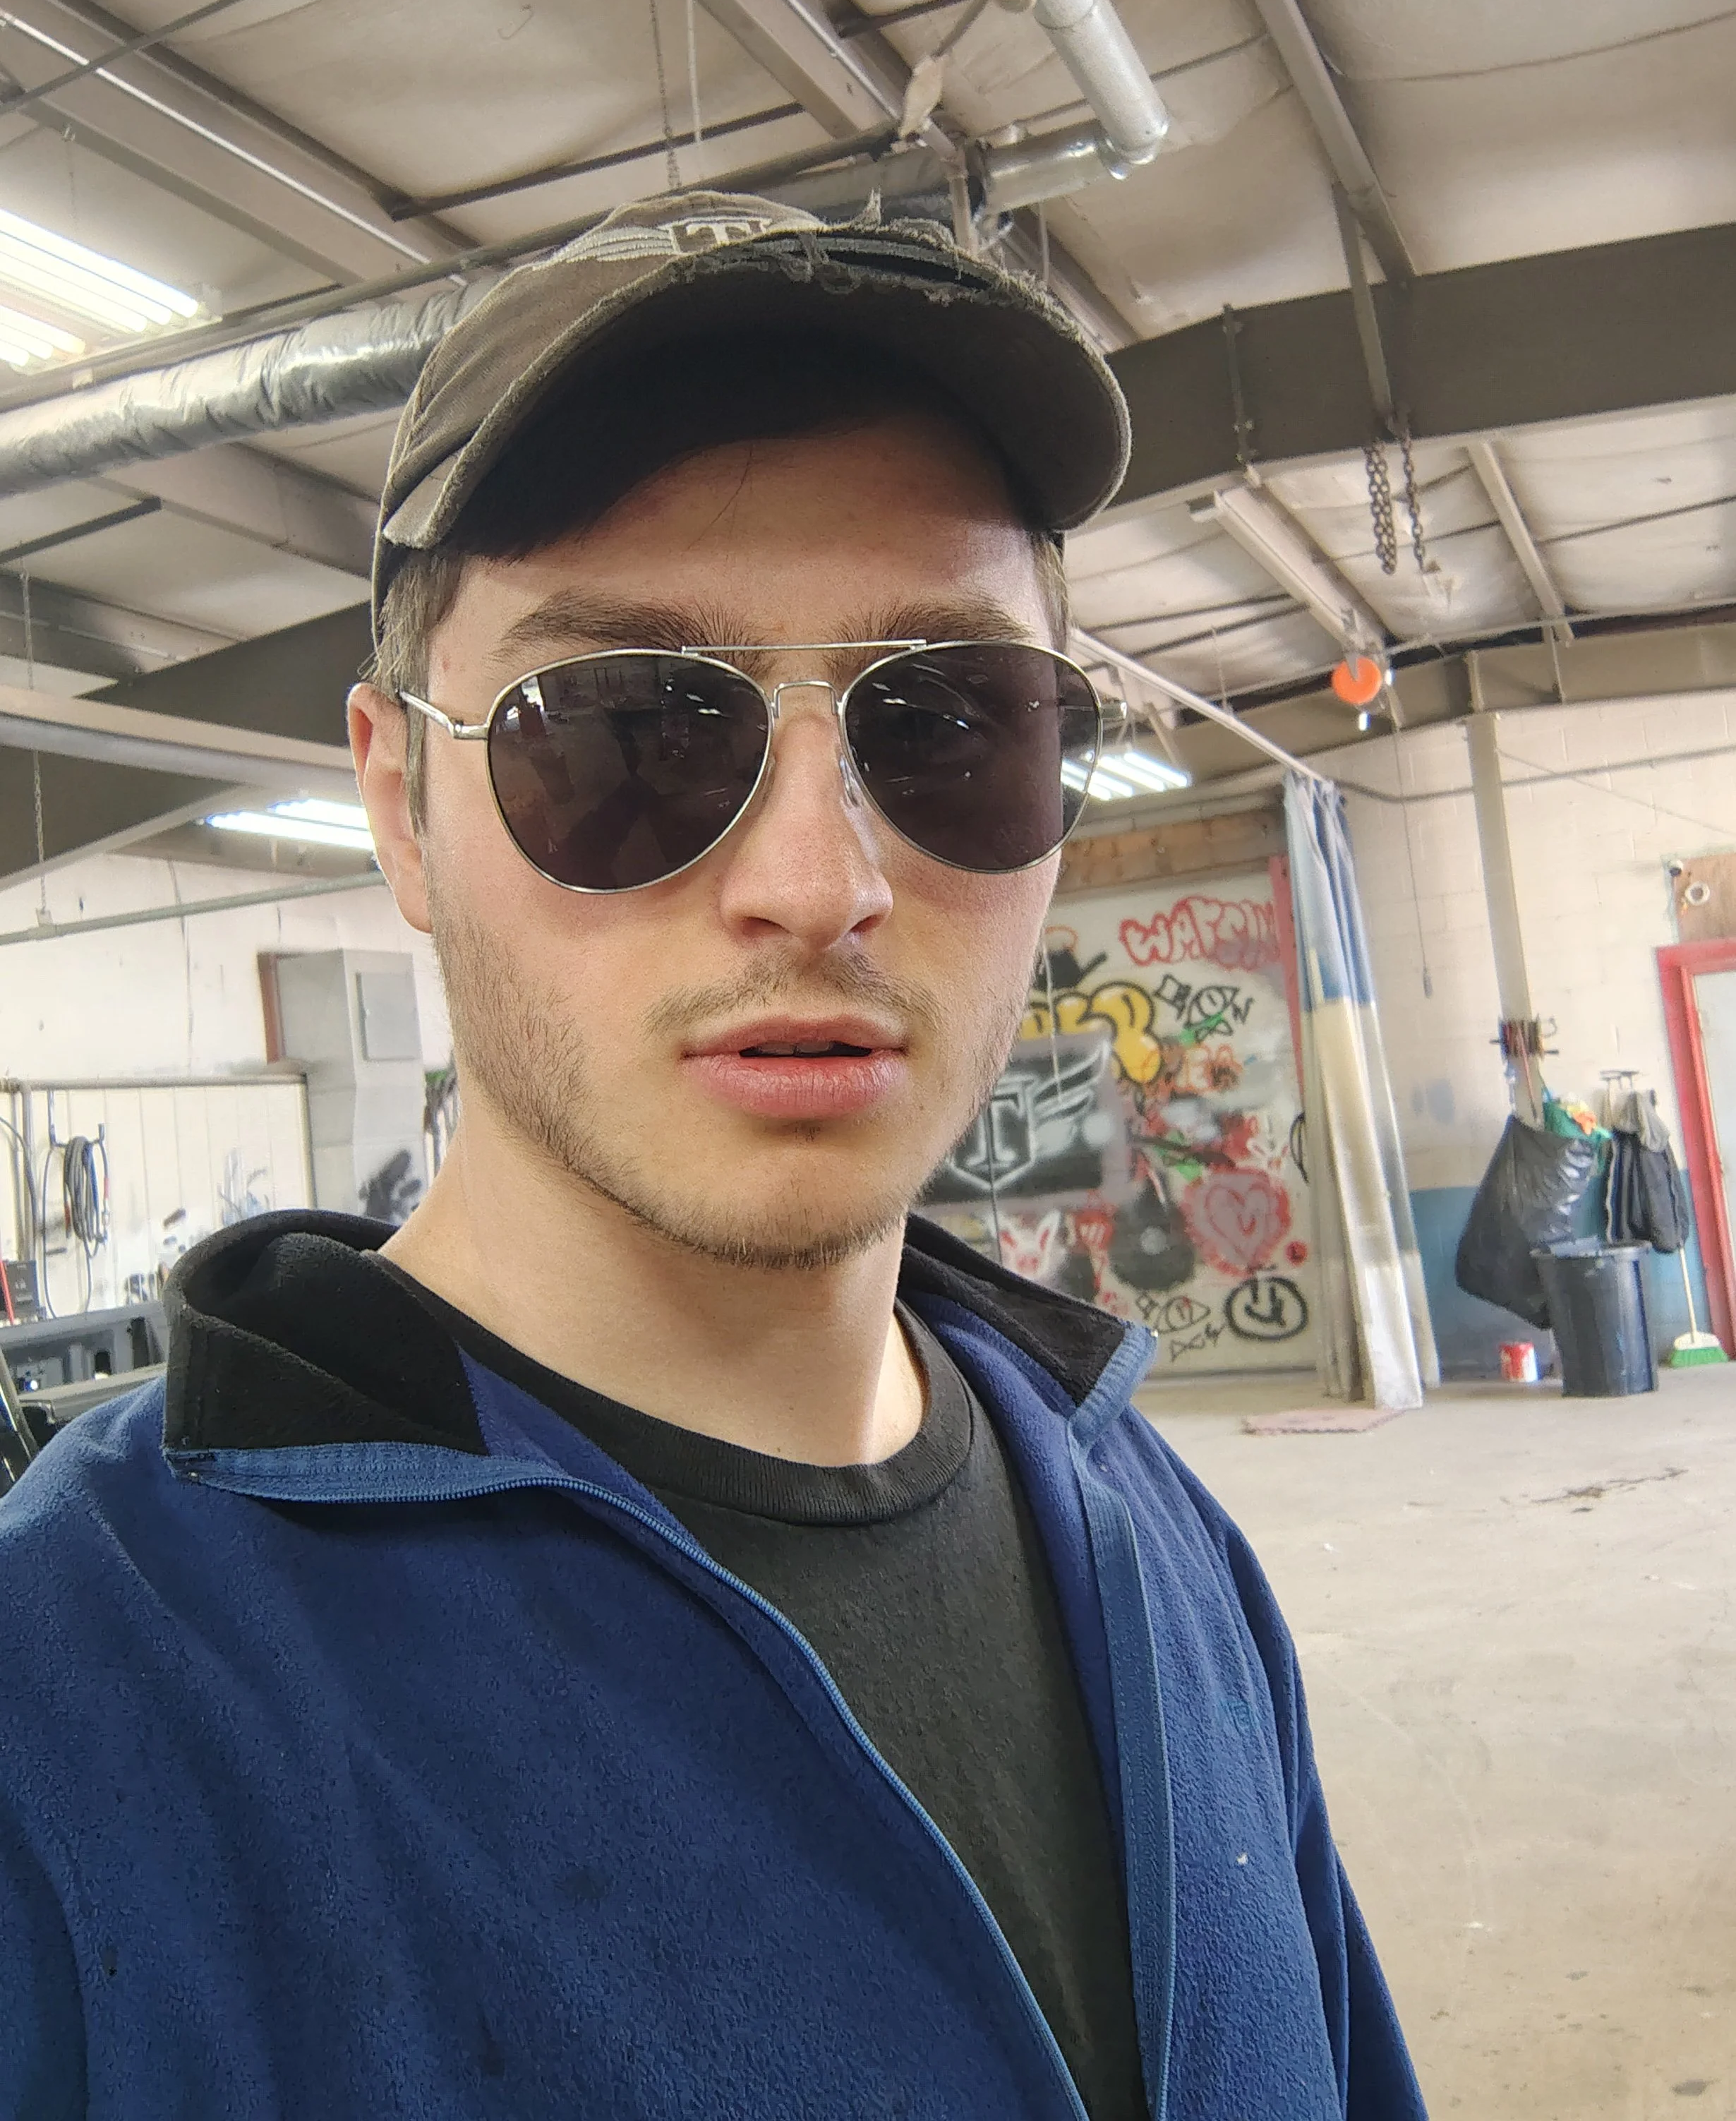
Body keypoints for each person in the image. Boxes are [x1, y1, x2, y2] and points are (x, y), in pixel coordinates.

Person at [0, 191, 1426, 2120]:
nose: (818, 883)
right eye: (623, 732)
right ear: (400, 808)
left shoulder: (1154, 1540)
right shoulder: (74, 1699)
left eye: (948, 720)